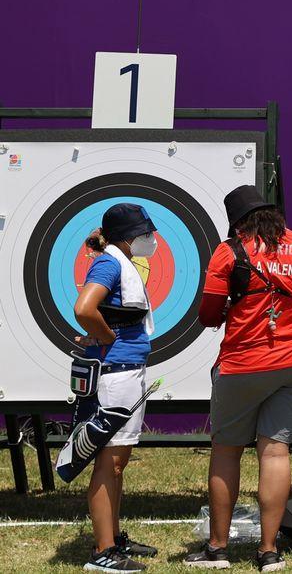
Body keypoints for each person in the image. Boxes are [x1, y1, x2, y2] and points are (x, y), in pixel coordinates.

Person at [185, 187, 292, 572]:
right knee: (275, 451)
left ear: (238, 223)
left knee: (226, 451)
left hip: (242, 365)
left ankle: (218, 549)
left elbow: (206, 316)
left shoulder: (230, 252)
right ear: (274, 215)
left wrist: (232, 307)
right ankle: (269, 551)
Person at [74, 203, 161, 572]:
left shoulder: (116, 259)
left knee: (118, 463)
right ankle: (102, 552)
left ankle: (112, 538)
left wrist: (105, 337)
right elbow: (84, 308)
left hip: (124, 370)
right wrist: (107, 338)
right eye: (144, 233)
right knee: (110, 463)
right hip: (116, 374)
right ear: (128, 237)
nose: (149, 240)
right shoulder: (110, 263)